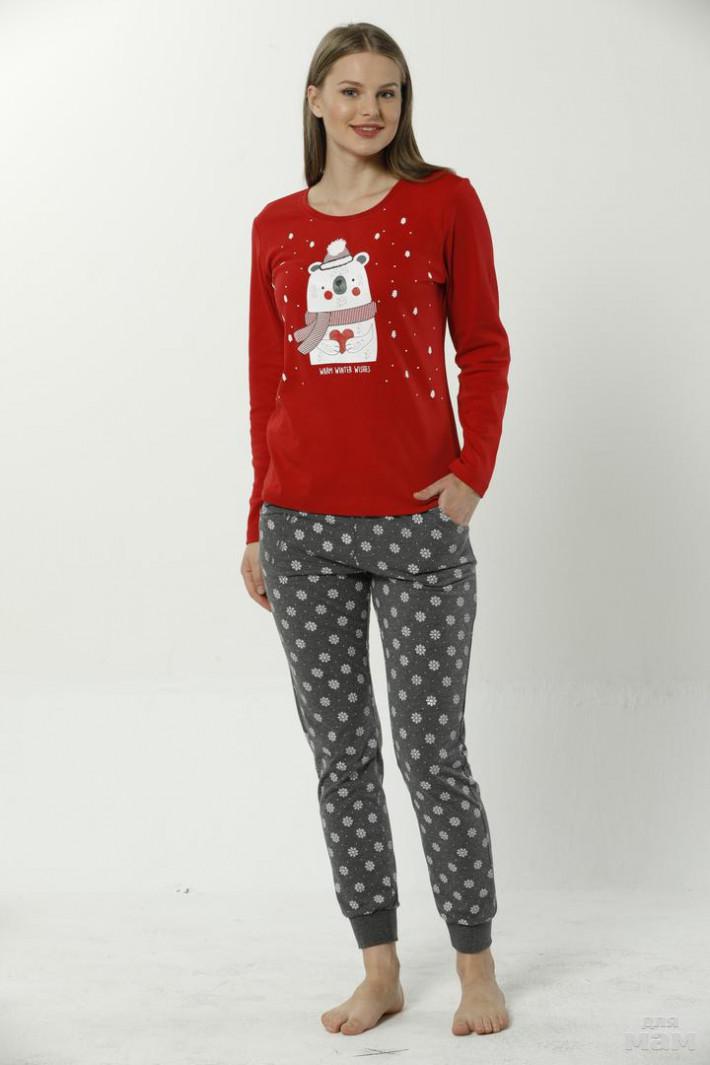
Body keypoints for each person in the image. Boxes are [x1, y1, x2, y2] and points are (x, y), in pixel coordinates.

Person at [240, 21, 511, 1038]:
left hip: (415, 530)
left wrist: (471, 472)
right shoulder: (274, 226)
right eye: (350, 90)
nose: (370, 109)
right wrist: (258, 518)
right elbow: (267, 382)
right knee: (341, 756)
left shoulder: (443, 203)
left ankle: (476, 967)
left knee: (432, 752)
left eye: (387, 92)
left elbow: (483, 348)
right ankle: (381, 967)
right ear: (314, 99)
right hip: (301, 529)